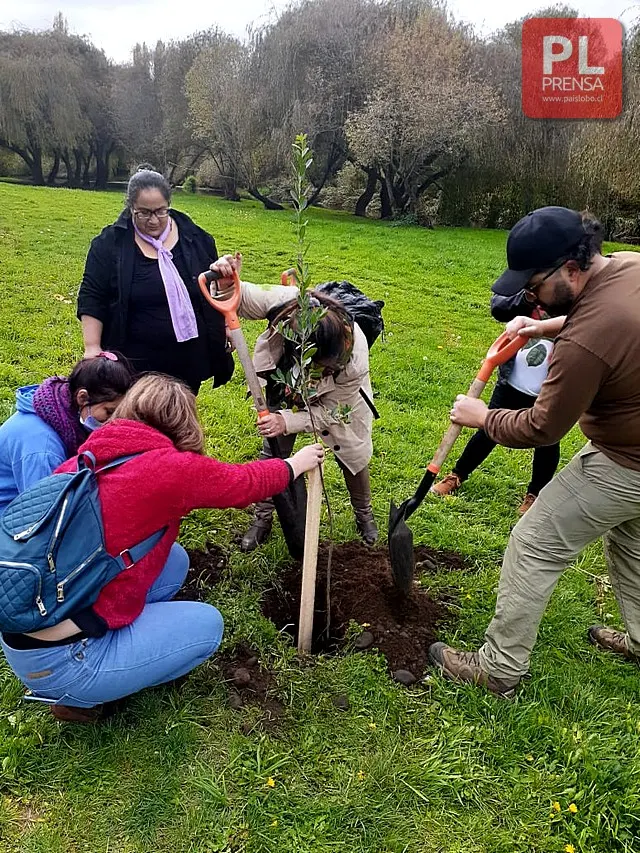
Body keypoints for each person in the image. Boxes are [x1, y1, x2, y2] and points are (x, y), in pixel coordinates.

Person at [0, 373, 324, 722]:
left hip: (32, 630)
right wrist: (295, 463)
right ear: (182, 422)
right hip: (65, 660)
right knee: (207, 626)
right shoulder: (169, 469)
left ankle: (117, 645)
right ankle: (82, 696)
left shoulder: (97, 450)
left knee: (173, 560)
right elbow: (242, 483)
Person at [428, 206, 640, 698]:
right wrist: (544, 326)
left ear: (571, 268)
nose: (529, 296)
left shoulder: (589, 338)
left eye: (534, 285)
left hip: (626, 462)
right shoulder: (628, 265)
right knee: (630, 544)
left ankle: (499, 668)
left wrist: (483, 418)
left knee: (534, 544)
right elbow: (604, 321)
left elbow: (543, 427)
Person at [210, 254, 378, 550]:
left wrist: (287, 420)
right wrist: (226, 283)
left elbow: (334, 412)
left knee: (354, 454)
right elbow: (242, 295)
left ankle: (364, 517)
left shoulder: (354, 361)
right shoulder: (286, 302)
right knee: (274, 453)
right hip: (283, 382)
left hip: (339, 401)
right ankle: (262, 519)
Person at [77, 165, 234, 395]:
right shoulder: (110, 244)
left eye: (160, 211)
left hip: (187, 363)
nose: (153, 220)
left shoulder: (196, 238)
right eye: (144, 212)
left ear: (169, 205)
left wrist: (225, 325)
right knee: (137, 424)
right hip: (132, 364)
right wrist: (92, 347)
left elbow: (210, 291)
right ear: (131, 207)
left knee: (178, 423)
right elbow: (93, 296)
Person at [431, 290, 561, 514]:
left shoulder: (573, 298)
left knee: (547, 441)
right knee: (488, 429)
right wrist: (527, 298)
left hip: (550, 386)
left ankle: (535, 494)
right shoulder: (528, 289)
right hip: (512, 380)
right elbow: (500, 307)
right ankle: (457, 475)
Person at [0, 352, 134, 515]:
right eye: (109, 412)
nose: (113, 422)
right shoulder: (43, 449)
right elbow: (45, 515)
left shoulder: (58, 410)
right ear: (82, 398)